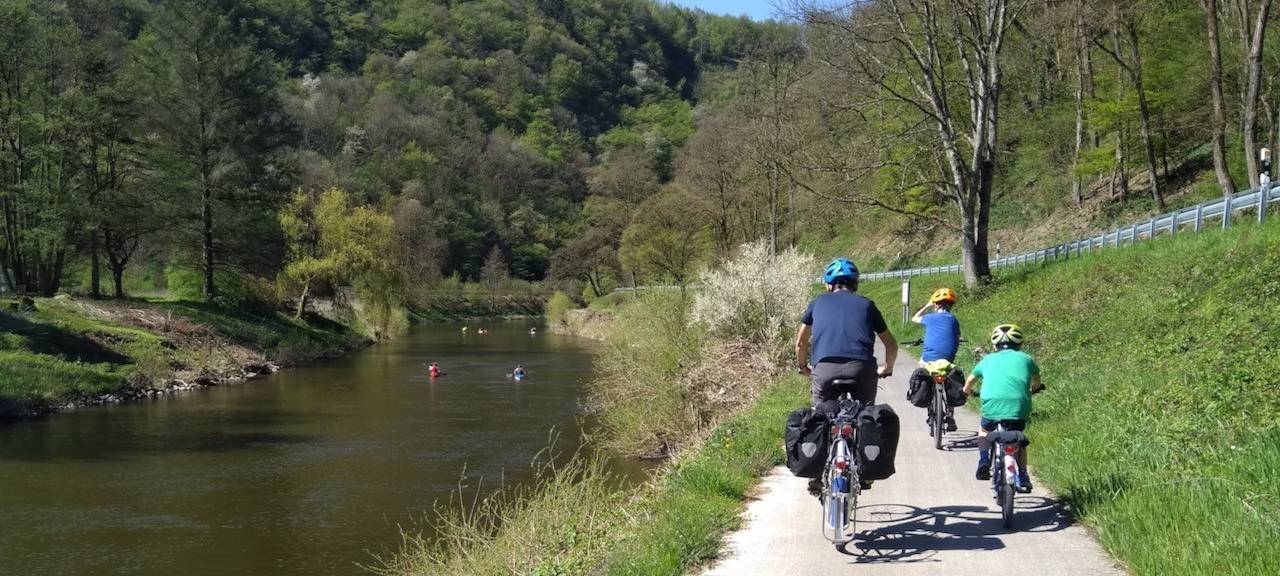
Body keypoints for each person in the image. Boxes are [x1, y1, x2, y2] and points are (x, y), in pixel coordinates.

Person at [795, 257, 899, 408]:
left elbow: (801, 342)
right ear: (855, 284)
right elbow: (891, 344)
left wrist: (803, 366)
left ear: (829, 285)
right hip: (861, 369)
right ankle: (865, 426)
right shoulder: (867, 305)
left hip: (825, 369)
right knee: (866, 415)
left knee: (820, 417)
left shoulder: (817, 303)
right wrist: (887, 367)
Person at [963, 324, 1044, 491]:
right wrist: (1034, 389)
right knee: (1018, 439)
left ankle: (984, 460)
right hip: (1019, 406)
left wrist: (966, 391)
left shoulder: (987, 360)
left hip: (991, 405)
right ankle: (1023, 474)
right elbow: (1037, 380)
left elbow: (970, 381)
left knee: (984, 430)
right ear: (1020, 344)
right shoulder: (1026, 359)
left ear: (995, 345)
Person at [911, 287, 961, 431]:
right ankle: (950, 415)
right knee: (949, 377)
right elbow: (956, 335)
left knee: (922, 363)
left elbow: (914, 318)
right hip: (948, 357)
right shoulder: (954, 320)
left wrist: (927, 305)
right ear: (951, 305)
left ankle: (929, 398)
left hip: (929, 358)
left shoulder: (930, 318)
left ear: (936, 304)